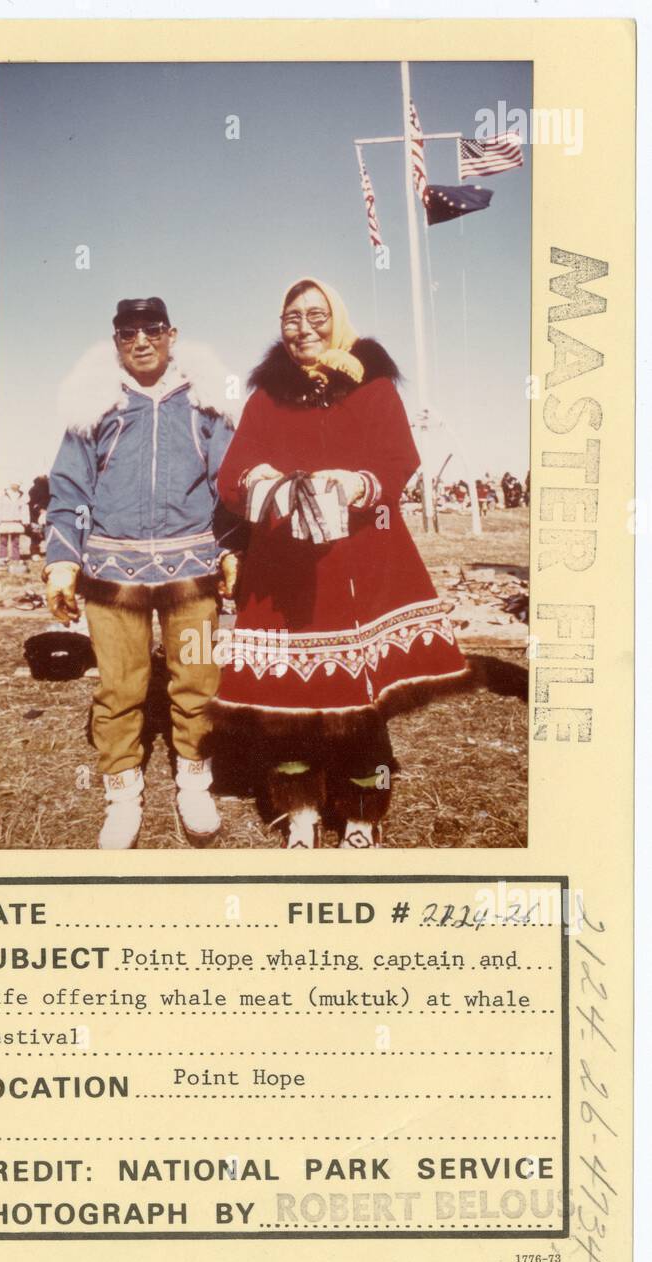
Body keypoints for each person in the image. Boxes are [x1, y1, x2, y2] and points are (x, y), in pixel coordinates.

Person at [210, 277, 470, 849]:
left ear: (338, 318)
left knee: (361, 705)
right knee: (286, 707)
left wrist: (357, 483)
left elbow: (399, 459)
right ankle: (299, 809)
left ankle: (360, 810)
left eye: (316, 314)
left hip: (362, 563)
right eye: (291, 317)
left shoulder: (373, 387)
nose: (303, 327)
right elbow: (233, 472)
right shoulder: (265, 397)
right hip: (283, 575)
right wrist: (263, 483)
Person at [43, 296, 240, 849]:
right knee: (120, 687)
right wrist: (62, 561)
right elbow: (68, 488)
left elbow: (229, 485)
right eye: (128, 333)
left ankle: (194, 783)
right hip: (112, 571)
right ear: (116, 343)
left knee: (197, 680)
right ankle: (122, 797)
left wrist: (232, 550)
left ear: (172, 333)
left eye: (152, 329)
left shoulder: (203, 403)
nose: (141, 341)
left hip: (192, 568)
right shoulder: (94, 406)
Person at [0, 482, 29, 566]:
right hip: (4, 521)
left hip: (16, 522)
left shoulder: (21, 495)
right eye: (14, 483)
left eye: (18, 484)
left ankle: (16, 558)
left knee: (16, 542)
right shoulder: (3, 494)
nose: (16, 485)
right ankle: (3, 558)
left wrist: (25, 520)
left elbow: (24, 509)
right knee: (3, 541)